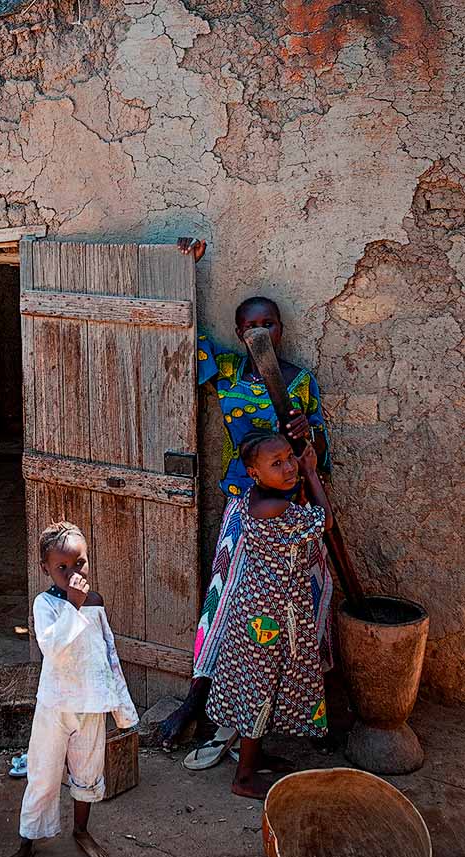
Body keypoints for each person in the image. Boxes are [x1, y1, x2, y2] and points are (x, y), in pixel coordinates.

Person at [160, 237, 333, 755]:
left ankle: (291, 712)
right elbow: (173, 330)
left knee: (305, 609)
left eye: (269, 324)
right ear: (241, 332)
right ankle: (202, 697)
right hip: (244, 509)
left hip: (296, 510)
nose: (261, 331)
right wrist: (179, 266)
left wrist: (307, 432)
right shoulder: (228, 370)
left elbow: (321, 454)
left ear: (281, 329)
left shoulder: (301, 381)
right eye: (251, 326)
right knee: (226, 605)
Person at [0, 522, 138, 857]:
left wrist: (119, 703)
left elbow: (107, 653)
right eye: (61, 568)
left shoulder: (96, 603)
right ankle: (28, 843)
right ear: (45, 568)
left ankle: (81, 830)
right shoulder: (45, 604)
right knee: (43, 774)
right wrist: (73, 607)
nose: (72, 573)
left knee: (88, 773)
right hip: (55, 706)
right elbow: (51, 646)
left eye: (79, 564)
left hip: (90, 705)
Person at [206, 432, 332, 799]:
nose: (289, 466)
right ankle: (244, 777)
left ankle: (256, 755)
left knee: (266, 683)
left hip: (263, 608)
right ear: (254, 473)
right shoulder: (273, 508)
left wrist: (299, 477)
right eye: (276, 463)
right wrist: (311, 473)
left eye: (291, 458)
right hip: (267, 615)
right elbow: (324, 522)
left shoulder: (259, 497)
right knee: (260, 689)